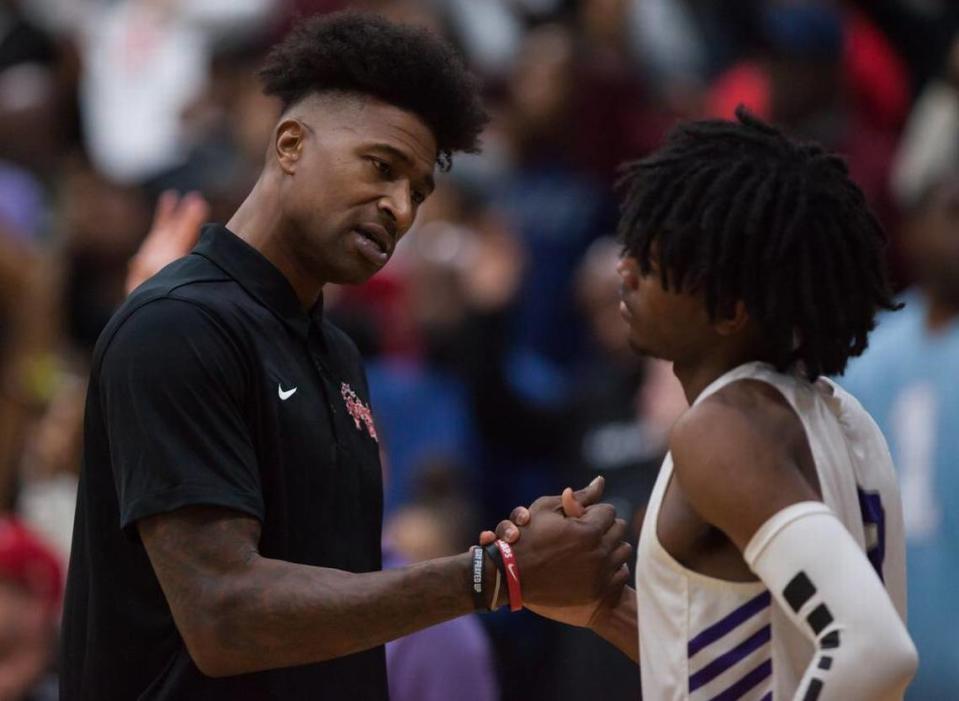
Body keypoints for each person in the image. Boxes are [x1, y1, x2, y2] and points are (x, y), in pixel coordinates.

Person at [59, 12, 631, 700]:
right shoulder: (176, 324)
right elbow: (223, 615)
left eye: (418, 191)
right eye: (381, 168)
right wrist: (489, 575)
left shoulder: (337, 354)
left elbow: (335, 612)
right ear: (292, 144)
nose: (398, 207)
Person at [486, 107, 919, 700]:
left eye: (655, 262)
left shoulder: (723, 429)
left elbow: (872, 650)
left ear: (729, 309)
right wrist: (603, 611)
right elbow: (755, 668)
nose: (625, 269)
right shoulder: (834, 413)